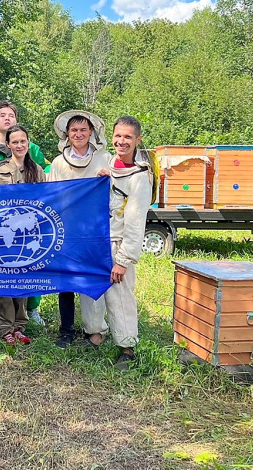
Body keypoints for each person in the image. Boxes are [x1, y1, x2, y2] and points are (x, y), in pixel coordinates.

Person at [79, 115, 153, 370]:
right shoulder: (108, 164)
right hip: (96, 240)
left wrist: (123, 260)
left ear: (137, 140)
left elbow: (135, 222)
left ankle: (126, 346)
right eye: (118, 136)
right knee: (91, 292)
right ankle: (95, 333)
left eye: (128, 137)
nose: (122, 141)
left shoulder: (139, 177)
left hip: (117, 243)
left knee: (119, 295)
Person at [0, 99, 47, 326]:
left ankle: (28, 313)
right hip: (2, 227)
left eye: (11, 115)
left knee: (27, 269)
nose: (7, 118)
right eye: (2, 115)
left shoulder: (35, 158)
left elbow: (49, 189)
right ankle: (0, 319)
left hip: (28, 227)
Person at [46, 110, 111, 348]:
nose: (79, 134)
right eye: (74, 130)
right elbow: (51, 195)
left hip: (95, 231)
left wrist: (108, 178)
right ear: (67, 133)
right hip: (66, 230)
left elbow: (118, 190)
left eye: (84, 129)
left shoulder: (105, 159)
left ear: (92, 132)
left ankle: (95, 330)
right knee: (65, 283)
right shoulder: (58, 162)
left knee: (91, 278)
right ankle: (66, 330)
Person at [0, 124, 45, 345]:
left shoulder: (37, 171)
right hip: (4, 236)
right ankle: (4, 327)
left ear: (28, 143)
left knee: (23, 282)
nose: (19, 145)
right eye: (15, 142)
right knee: (3, 282)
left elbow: (47, 201)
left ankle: (20, 325)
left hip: (28, 236)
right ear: (8, 145)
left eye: (23, 141)